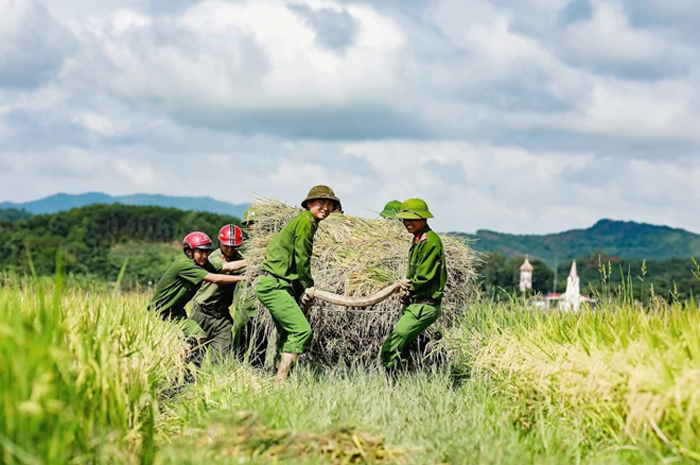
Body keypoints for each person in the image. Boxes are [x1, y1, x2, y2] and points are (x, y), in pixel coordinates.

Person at [255, 185, 341, 381]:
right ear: (309, 203)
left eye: (330, 204)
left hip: (278, 285)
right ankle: (280, 380)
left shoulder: (307, 221)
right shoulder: (305, 222)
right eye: (321, 202)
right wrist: (309, 286)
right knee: (301, 330)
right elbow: (302, 257)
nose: (326, 208)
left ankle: (279, 379)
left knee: (287, 334)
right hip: (274, 285)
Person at [380, 198, 447, 371]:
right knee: (402, 350)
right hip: (414, 305)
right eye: (404, 219)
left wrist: (407, 287)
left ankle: (389, 384)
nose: (407, 223)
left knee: (391, 346)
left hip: (423, 307)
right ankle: (407, 381)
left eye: (412, 218)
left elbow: (424, 277)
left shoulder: (430, 241)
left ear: (423, 218)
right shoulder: (418, 239)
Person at [149, 231, 247, 324]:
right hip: (159, 312)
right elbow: (216, 279)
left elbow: (228, 266)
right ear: (188, 251)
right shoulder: (185, 264)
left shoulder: (202, 263)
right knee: (189, 339)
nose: (205, 256)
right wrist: (243, 278)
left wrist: (253, 260)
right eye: (200, 252)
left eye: (207, 252)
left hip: (176, 313)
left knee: (199, 338)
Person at [190, 225, 246, 360]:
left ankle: (218, 381)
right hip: (201, 314)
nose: (230, 249)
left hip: (222, 317)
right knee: (193, 359)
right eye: (227, 245)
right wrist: (253, 261)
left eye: (234, 246)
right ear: (220, 242)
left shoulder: (240, 259)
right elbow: (225, 269)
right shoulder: (212, 257)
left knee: (221, 360)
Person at [232, 208, 268, 366]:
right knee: (239, 329)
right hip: (243, 296)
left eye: (255, 223)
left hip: (262, 297)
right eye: (249, 224)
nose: (252, 227)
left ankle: (257, 367)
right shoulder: (243, 246)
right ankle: (236, 363)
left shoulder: (270, 245)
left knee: (260, 334)